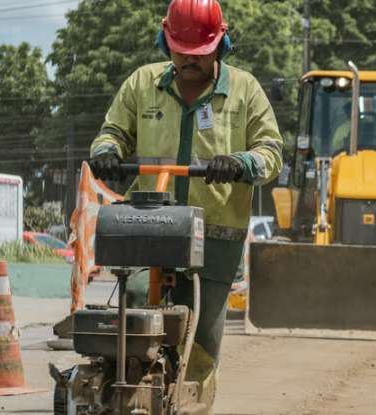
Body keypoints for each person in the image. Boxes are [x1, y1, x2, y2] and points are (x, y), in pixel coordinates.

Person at [87, 0, 282, 408]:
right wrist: (106, 151)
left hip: (217, 234)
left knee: (202, 339)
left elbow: (271, 152)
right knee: (136, 311)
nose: (189, 60)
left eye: (199, 53)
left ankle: (193, 403)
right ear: (165, 41)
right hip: (150, 226)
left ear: (221, 45)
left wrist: (242, 162)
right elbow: (113, 132)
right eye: (181, 51)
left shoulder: (245, 89)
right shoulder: (142, 84)